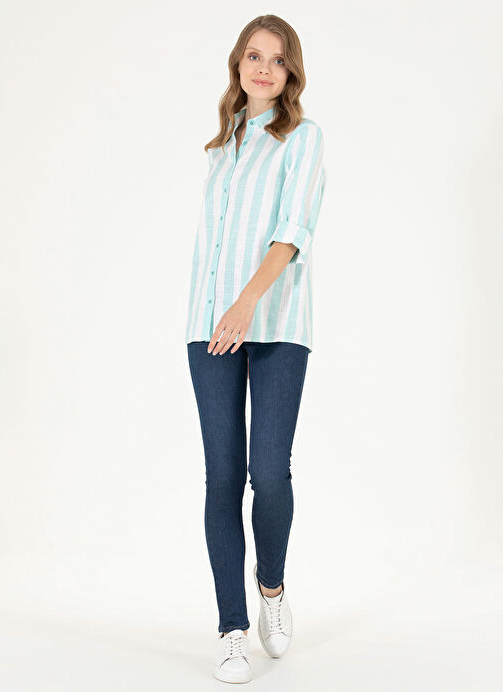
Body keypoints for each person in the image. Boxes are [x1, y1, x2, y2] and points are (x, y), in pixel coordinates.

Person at [185, 14, 326, 684]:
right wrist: (217, 311)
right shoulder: (220, 147)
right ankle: (231, 629)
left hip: (276, 324)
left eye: (276, 59)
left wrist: (245, 304)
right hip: (208, 325)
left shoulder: (302, 137)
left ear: (289, 71)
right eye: (253, 56)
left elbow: (292, 231)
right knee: (221, 477)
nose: (263, 68)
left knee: (267, 473)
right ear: (237, 65)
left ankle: (271, 587)